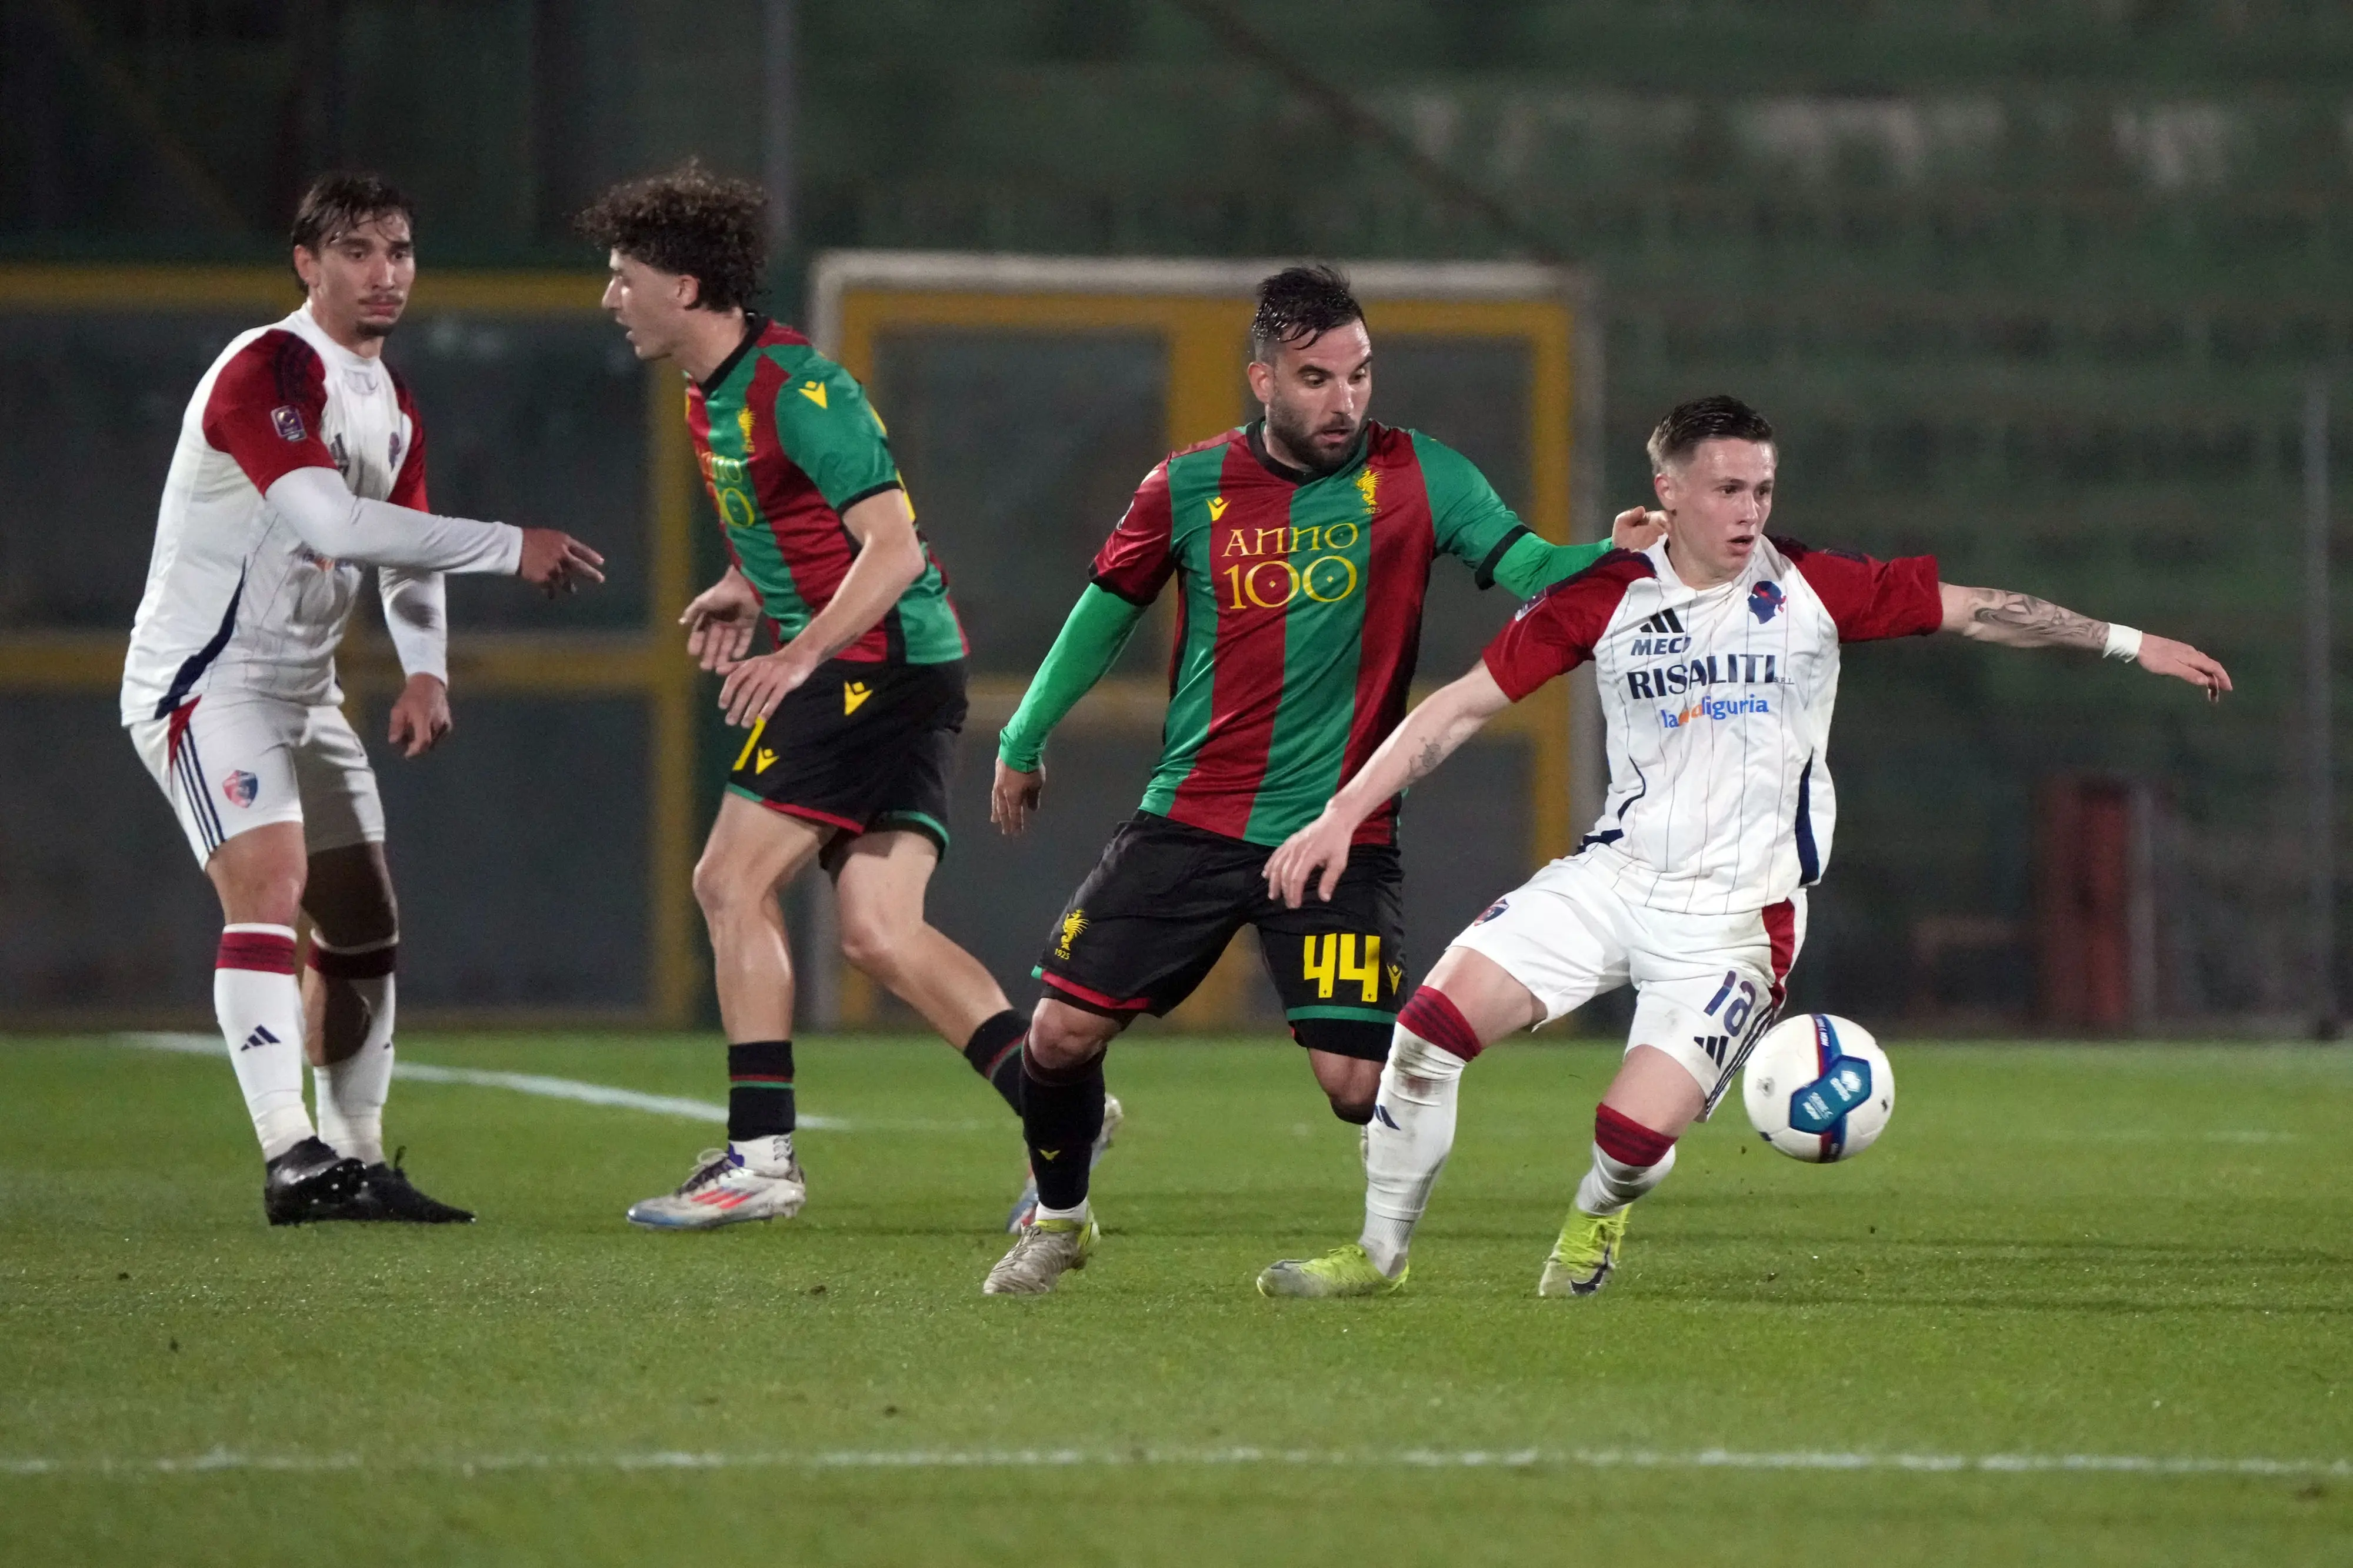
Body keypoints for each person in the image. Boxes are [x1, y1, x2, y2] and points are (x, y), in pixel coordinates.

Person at [1254, 394, 2232, 1299]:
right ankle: (1379, 1255)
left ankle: (1597, 1218)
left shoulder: (1814, 587)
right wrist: (1343, 813)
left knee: (1628, 1138)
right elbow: (1462, 706)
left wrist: (2124, 640)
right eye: (1727, 488)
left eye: (1762, 488)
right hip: (1615, 878)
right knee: (1425, 1031)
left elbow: (1976, 607)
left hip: (1737, 922)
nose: (1749, 510)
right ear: (1668, 491)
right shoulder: (1604, 597)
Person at [979, 265, 1662, 1294]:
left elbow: (1526, 568)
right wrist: (1023, 737)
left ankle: (1486, 1194)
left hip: (1341, 831)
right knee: (1061, 1033)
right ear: (1262, 379)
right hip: (1193, 819)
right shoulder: (1189, 485)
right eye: (1316, 378)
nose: (1345, 399)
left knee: (1354, 1083)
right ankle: (1064, 1218)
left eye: (1359, 374)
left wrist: (1604, 558)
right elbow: (1103, 613)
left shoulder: (1422, 475)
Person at [122, 172, 608, 1226]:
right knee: (271, 880)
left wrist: (425, 664)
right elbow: (337, 525)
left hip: (306, 690)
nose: (383, 273)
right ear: (307, 262)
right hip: (207, 681)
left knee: (364, 919)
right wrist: (508, 546)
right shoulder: (266, 368)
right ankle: (288, 1154)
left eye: (399, 249)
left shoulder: (388, 400)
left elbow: (403, 545)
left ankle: (354, 1155)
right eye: (356, 250)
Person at [579, 163, 1048, 1230]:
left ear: (687, 286)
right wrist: (747, 586)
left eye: (624, 277)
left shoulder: (801, 387)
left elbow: (889, 549)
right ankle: (1055, 1102)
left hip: (872, 667)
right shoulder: (712, 391)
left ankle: (760, 1158)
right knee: (879, 930)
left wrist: (799, 656)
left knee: (729, 882)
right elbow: (803, 529)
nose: (611, 298)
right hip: (891, 666)